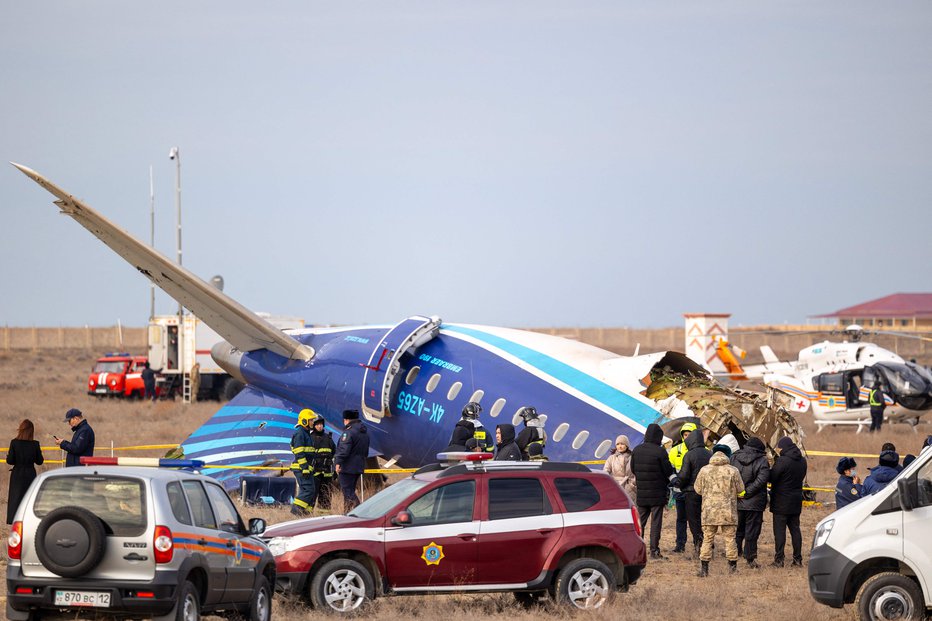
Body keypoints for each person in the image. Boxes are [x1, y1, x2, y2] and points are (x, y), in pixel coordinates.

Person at [694, 444, 744, 576]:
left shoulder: (704, 470)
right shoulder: (733, 471)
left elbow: (698, 489)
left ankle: (704, 570)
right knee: (730, 539)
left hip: (709, 511)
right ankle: (732, 569)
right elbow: (740, 489)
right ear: (728, 455)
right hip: (728, 512)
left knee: (707, 539)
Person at [631, 423, 676, 559]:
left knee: (640, 523)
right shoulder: (660, 451)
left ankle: (637, 551)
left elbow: (633, 469)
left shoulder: (637, 450)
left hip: (642, 494)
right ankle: (654, 551)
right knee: (656, 523)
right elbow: (667, 470)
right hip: (657, 493)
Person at [731, 437, 770, 568]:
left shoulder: (734, 457)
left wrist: (739, 491)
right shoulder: (762, 460)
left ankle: (735, 554)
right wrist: (747, 492)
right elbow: (762, 480)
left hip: (737, 500)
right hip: (754, 503)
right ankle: (750, 558)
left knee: (738, 529)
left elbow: (730, 475)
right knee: (752, 531)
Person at [769, 436, 807, 568]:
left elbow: (772, 478)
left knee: (779, 532)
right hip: (796, 501)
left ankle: (779, 560)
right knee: (795, 530)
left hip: (781, 501)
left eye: (779, 447)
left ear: (783, 447)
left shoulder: (782, 461)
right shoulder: (802, 461)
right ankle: (797, 559)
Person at [676, 426, 710, 555]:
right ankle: (708, 544)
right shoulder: (709, 453)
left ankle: (699, 544)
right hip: (707, 493)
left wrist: (678, 484)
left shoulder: (689, 455)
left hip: (691, 492)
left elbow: (684, 475)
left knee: (693, 520)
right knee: (706, 520)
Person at [6, 419, 44, 524]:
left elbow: (10, 461)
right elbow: (40, 461)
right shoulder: (35, 444)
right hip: (30, 474)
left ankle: (14, 521)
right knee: (29, 499)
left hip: (17, 474)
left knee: (15, 498)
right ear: (31, 431)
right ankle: (28, 521)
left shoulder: (14, 443)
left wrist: (9, 456)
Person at [667, 422, 697, 554]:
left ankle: (699, 543)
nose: (687, 437)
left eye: (690, 435)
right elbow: (670, 469)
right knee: (681, 519)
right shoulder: (674, 450)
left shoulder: (703, 451)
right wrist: (674, 481)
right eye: (685, 435)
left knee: (696, 519)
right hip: (679, 491)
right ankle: (680, 545)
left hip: (695, 492)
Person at [334, 409, 369, 513]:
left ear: (346, 420)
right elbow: (366, 452)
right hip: (359, 466)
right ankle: (347, 514)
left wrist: (338, 462)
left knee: (348, 492)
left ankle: (362, 512)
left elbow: (344, 450)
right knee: (349, 493)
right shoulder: (364, 433)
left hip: (347, 467)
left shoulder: (348, 433)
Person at [290, 409, 317, 516]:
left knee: (311, 490)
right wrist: (305, 467)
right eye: (311, 420)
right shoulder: (300, 433)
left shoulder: (306, 433)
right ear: (304, 421)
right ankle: (296, 510)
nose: (313, 422)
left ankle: (306, 514)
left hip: (306, 468)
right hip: (301, 468)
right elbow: (299, 452)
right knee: (308, 490)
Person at [308, 415, 336, 510]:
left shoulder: (329, 438)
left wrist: (334, 470)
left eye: (321, 424)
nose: (320, 426)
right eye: (317, 424)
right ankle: (307, 515)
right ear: (314, 426)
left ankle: (325, 517)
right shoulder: (310, 438)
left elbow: (334, 453)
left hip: (327, 474)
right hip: (314, 473)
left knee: (326, 497)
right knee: (311, 495)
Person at [603, 434, 637, 504]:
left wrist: (633, 484)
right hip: (616, 487)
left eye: (622, 444)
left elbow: (636, 472)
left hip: (630, 488)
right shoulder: (611, 458)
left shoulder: (633, 457)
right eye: (618, 444)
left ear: (626, 445)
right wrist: (610, 484)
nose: (620, 446)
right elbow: (605, 471)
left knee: (631, 510)